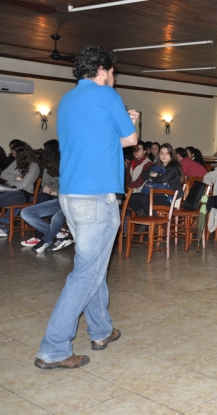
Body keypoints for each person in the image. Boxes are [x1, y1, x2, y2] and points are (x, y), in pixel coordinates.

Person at [35, 45, 139, 370]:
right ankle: (53, 348)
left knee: (92, 265)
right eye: (112, 72)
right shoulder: (107, 95)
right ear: (102, 69)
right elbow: (131, 141)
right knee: (86, 273)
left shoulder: (66, 101)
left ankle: (101, 330)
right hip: (96, 197)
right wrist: (132, 120)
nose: (113, 77)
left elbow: (102, 140)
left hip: (70, 195)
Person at [21, 140, 73, 252]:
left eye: (45, 150)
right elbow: (45, 183)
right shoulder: (48, 165)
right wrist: (49, 190)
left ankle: (45, 237)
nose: (43, 152)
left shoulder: (68, 164)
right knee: (39, 199)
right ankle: (58, 234)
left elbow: (71, 187)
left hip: (67, 199)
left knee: (52, 211)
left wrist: (54, 191)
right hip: (55, 198)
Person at [128, 143, 183, 216]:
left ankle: (152, 220)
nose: (164, 155)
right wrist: (157, 176)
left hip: (168, 197)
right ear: (159, 154)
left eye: (167, 153)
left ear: (171, 155)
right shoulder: (157, 166)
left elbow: (163, 179)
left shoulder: (175, 168)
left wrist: (153, 177)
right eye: (162, 153)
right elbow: (144, 174)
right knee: (132, 197)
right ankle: (147, 218)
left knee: (144, 199)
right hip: (154, 194)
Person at [0, 141, 40, 210]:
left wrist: (8, 181)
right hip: (10, 188)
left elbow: (24, 184)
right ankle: (4, 220)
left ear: (22, 154)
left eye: (15, 154)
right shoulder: (16, 162)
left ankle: (4, 220)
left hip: (23, 193)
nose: (14, 156)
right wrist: (14, 177)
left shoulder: (33, 166)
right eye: (13, 153)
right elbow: (3, 174)